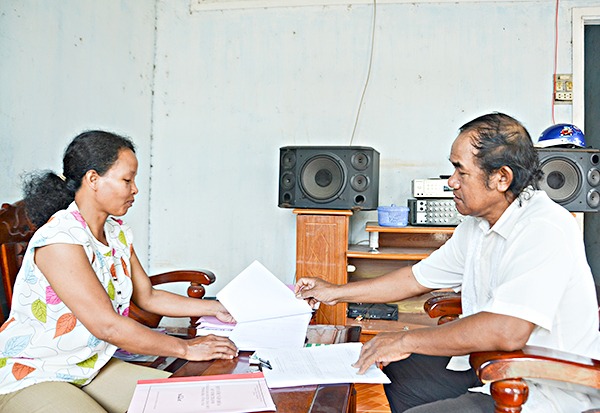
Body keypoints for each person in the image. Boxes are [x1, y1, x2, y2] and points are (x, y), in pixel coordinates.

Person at [296, 113, 600, 413]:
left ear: (501, 178)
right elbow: (415, 279)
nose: (451, 182)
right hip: (489, 368)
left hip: (544, 388)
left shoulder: (545, 227)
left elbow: (508, 330)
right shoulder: (478, 226)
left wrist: (405, 340)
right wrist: (334, 292)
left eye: (460, 171)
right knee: (389, 374)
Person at [0, 131, 239, 412]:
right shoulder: (60, 239)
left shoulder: (116, 233)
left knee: (195, 401)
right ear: (93, 180)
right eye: (127, 180)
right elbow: (107, 326)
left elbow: (147, 296)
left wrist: (217, 309)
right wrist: (186, 348)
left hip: (89, 366)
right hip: (34, 374)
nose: (134, 189)